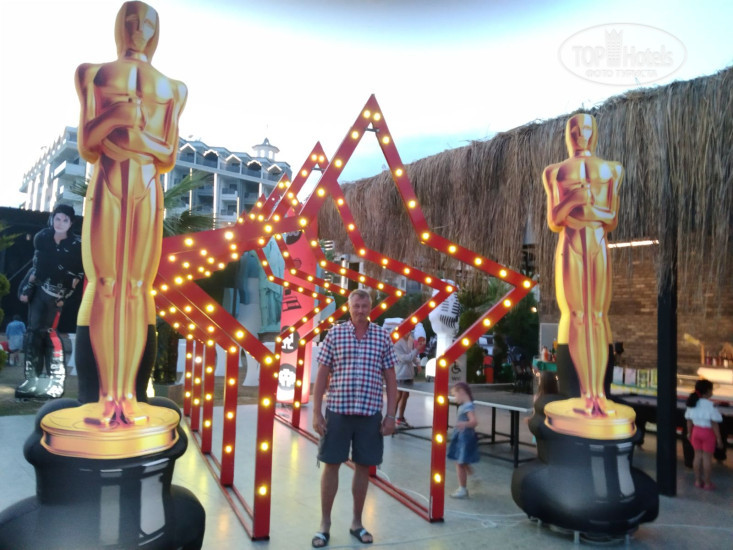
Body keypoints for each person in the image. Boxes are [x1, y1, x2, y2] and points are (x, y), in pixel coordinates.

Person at [75, 1, 187, 425]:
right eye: (131, 20)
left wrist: (134, 135)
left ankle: (128, 397)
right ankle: (107, 399)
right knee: (106, 283)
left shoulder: (174, 89)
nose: (138, 29)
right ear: (120, 24)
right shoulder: (93, 74)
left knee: (138, 286)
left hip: (145, 185)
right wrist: (114, 119)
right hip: (108, 179)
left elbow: (168, 153)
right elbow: (87, 141)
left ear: (156, 32)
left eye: (147, 24)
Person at [542, 113, 623, 417]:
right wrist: (575, 199)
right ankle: (583, 394)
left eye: (586, 128)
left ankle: (597, 394)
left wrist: (587, 209)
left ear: (593, 132)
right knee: (576, 314)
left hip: (597, 242)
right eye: (574, 129)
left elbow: (611, 217)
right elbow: (554, 218)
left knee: (597, 316)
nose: (580, 134)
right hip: (571, 242)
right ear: (569, 133)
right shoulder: (554, 172)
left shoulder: (612, 170)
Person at [311, 289, 398, 547]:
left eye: (364, 306)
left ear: (371, 307)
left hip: (369, 414)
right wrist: (316, 412)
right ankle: (324, 524)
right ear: (349, 308)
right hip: (338, 411)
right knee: (331, 465)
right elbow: (322, 373)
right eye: (356, 306)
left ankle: (357, 523)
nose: (360, 310)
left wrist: (391, 415)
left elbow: (391, 378)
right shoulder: (335, 334)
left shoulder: (382, 337)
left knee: (363, 467)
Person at [15, 204, 83, 399]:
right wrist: (26, 288)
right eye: (57, 218)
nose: (60, 223)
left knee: (50, 334)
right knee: (33, 333)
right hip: (39, 291)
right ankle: (32, 379)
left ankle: (56, 381)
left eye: (65, 220)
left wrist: (66, 297)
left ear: (71, 223)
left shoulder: (77, 245)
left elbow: (78, 276)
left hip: (58, 295)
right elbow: (35, 267)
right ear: (52, 218)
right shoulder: (42, 237)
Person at [685, 379, 723, 490]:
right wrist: (719, 439)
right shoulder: (711, 405)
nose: (712, 392)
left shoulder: (692, 403)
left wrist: (689, 432)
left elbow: (689, 420)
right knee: (707, 458)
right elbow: (714, 423)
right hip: (707, 433)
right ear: (707, 391)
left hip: (695, 432)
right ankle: (707, 483)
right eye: (711, 389)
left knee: (697, 456)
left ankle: (697, 481)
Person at [447, 381, 480, 499]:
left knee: (459, 462)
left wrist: (463, 424)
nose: (455, 398)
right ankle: (473, 477)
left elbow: (474, 422)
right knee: (461, 460)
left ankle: (462, 489)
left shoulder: (467, 406)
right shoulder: (466, 405)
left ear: (461, 392)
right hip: (462, 436)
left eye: (455, 395)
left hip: (465, 438)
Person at [393, 331, 425, 428]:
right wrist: (417, 349)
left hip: (409, 374)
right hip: (399, 374)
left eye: (410, 330)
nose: (409, 332)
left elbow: (412, 355)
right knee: (398, 396)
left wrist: (417, 363)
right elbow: (405, 358)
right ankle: (391, 420)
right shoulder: (396, 342)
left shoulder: (411, 340)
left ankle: (400, 418)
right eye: (407, 330)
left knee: (405, 395)